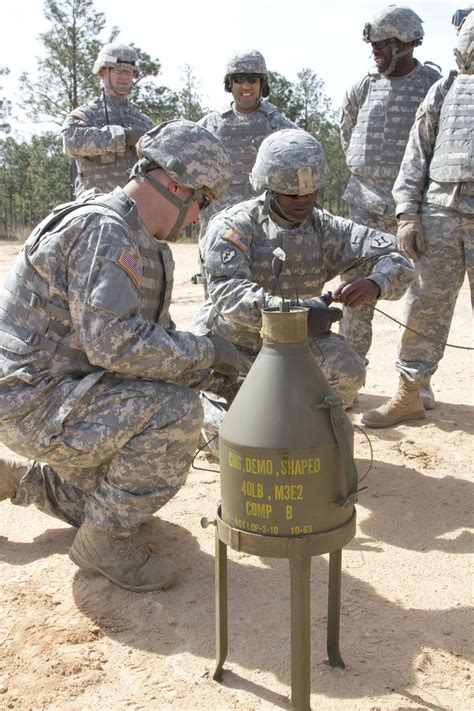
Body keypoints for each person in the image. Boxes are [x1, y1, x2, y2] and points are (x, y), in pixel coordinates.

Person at [0, 119, 240, 592]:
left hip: (55, 391)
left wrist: (210, 376)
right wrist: (206, 351)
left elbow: (154, 346)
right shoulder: (103, 231)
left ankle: (16, 480)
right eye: (202, 201)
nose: (198, 218)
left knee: (107, 489)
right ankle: (104, 543)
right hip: (30, 399)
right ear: (176, 184)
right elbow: (116, 345)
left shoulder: (138, 240)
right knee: (173, 418)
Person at [192, 129, 416, 455]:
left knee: (348, 372)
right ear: (269, 188)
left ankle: (300, 429)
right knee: (235, 442)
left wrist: (376, 283)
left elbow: (397, 256)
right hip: (233, 349)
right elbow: (227, 292)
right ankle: (209, 423)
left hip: (296, 345)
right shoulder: (235, 225)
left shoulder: (325, 228)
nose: (304, 201)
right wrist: (298, 314)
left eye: (311, 193)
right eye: (292, 195)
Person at [362, 11, 474, 428]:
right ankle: (411, 391)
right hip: (440, 213)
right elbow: (417, 152)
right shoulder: (446, 88)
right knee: (424, 306)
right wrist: (407, 212)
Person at [339, 5, 440, 368]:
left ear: (404, 44)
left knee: (422, 297)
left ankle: (414, 383)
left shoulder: (432, 87)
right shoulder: (364, 87)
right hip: (364, 206)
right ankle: (349, 372)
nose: (374, 51)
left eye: (381, 44)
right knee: (354, 292)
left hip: (415, 209)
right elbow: (348, 133)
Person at [194, 50, 296, 286]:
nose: (246, 86)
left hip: (264, 230)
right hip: (218, 227)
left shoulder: (278, 125)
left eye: (253, 79)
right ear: (230, 84)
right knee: (218, 299)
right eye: (239, 79)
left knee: (267, 297)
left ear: (263, 84)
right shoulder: (211, 124)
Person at [62, 42, 154, 197]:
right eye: (119, 71)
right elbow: (70, 141)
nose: (124, 77)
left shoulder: (143, 121)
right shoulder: (86, 115)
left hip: (137, 209)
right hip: (96, 206)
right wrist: (122, 136)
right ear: (102, 73)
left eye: (129, 72)